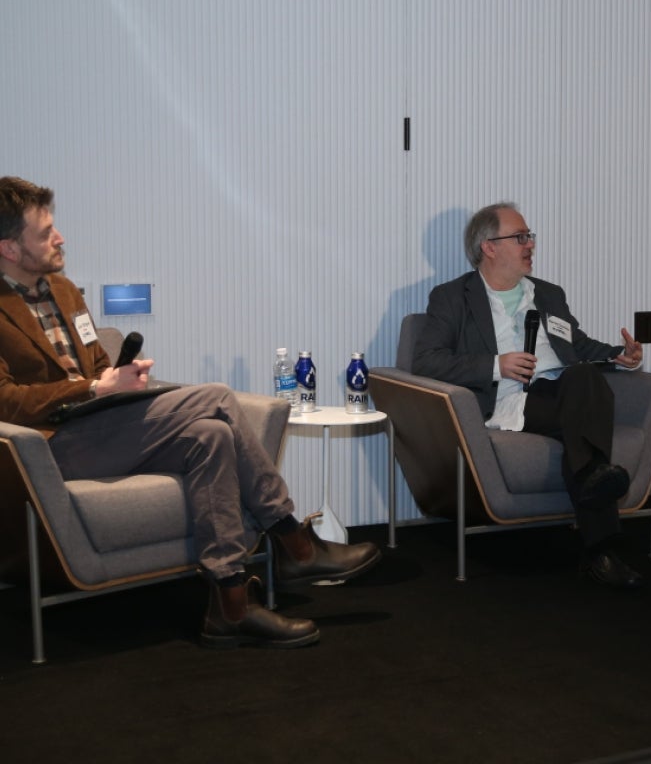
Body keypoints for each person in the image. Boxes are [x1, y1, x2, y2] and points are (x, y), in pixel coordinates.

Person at [0, 176, 382, 648]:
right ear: (10, 249)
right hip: (48, 448)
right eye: (45, 233)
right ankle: (290, 537)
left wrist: (119, 380)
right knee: (217, 397)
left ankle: (229, 605)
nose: (59, 239)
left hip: (103, 430)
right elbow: (6, 399)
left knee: (210, 436)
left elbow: (98, 363)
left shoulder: (64, 292)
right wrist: (94, 388)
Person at [412, 202, 645, 589]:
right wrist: (495, 365)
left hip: (564, 388)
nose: (529, 244)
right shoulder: (453, 297)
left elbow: (578, 344)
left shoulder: (549, 294)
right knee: (587, 420)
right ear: (489, 246)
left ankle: (592, 482)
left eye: (529, 236)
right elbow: (425, 360)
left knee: (585, 377)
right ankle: (601, 548)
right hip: (512, 397)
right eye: (520, 237)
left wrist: (619, 357)